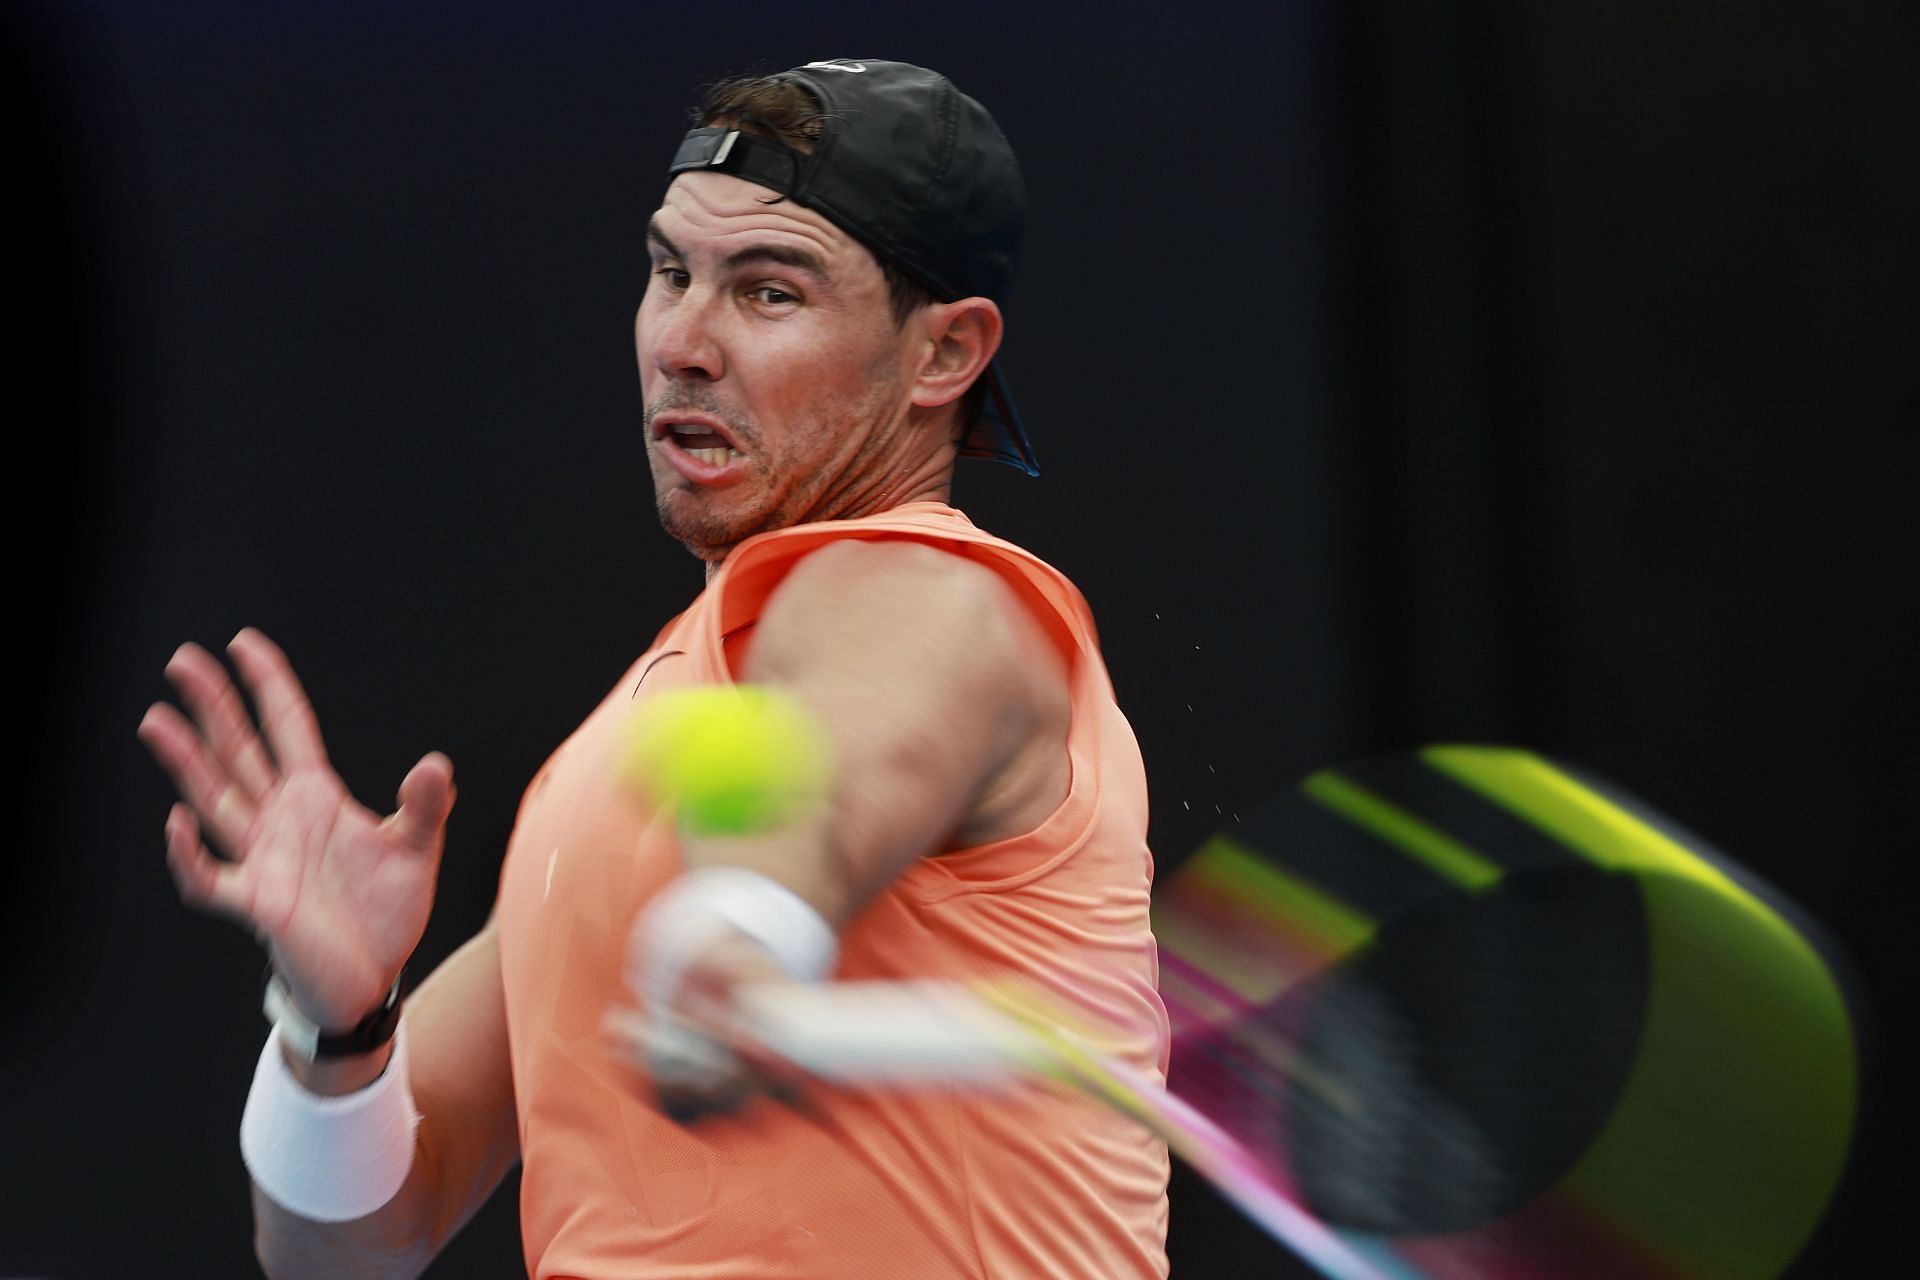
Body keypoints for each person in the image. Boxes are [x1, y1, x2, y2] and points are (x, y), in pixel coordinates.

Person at [139, 58, 1170, 1279]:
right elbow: (350, 1247)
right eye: (671, 271)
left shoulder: (934, 593)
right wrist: (338, 1027)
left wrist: (743, 922)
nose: (683, 341)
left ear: (943, 354)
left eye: (769, 292)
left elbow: (844, 764)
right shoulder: (618, 755)